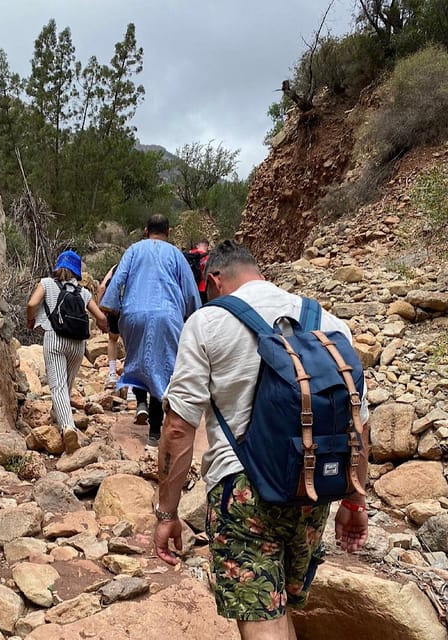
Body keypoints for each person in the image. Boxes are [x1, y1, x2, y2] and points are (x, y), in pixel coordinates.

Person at [153, 240, 370, 640]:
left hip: (243, 492)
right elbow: (358, 424)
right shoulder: (327, 321)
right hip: (312, 487)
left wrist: (167, 514)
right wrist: (355, 500)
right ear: (258, 272)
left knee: (261, 618)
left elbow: (179, 427)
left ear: (214, 279)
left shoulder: (208, 321)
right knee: (279, 608)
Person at [100, 214, 201, 447]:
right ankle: (155, 430)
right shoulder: (176, 254)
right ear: (169, 231)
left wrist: (110, 309)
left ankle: (141, 403)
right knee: (162, 367)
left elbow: (118, 280)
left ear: (146, 230)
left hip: (134, 314)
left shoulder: (134, 250)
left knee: (138, 360)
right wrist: (194, 316)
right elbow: (189, 291)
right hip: (167, 315)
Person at [27, 250, 108, 454]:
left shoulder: (46, 283)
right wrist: (105, 328)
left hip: (54, 339)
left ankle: (68, 428)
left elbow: (32, 303)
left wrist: (31, 319)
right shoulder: (83, 293)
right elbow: (100, 317)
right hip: (77, 345)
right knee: (67, 385)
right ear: (76, 272)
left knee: (57, 387)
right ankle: (57, 415)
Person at [97, 264, 121, 388]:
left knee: (112, 339)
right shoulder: (138, 266)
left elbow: (102, 287)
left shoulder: (116, 267)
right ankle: (130, 380)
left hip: (114, 308)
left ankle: (112, 373)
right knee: (131, 344)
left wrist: (99, 311)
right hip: (131, 307)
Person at [188, 238, 210, 304]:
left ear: (197, 245)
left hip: (190, 285)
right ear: (206, 246)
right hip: (202, 286)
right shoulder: (207, 257)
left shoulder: (189, 254)